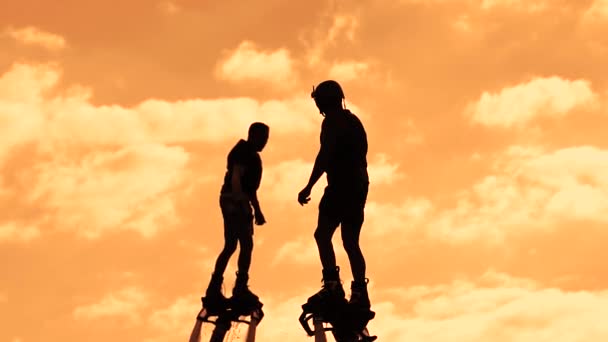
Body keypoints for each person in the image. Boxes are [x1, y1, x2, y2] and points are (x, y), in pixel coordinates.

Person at [298, 80, 371, 309]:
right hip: (359, 186)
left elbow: (325, 155)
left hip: (340, 188)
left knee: (322, 235)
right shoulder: (353, 121)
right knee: (351, 241)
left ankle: (332, 286)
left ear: (322, 101)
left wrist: (309, 185)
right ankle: (360, 293)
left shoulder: (332, 122)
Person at [204, 122, 269, 308]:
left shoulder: (249, 154)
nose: (264, 142)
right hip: (234, 201)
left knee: (231, 245)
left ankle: (215, 287)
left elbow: (251, 189)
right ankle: (239, 288)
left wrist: (257, 210)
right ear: (253, 135)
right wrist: (240, 203)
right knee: (245, 244)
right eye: (262, 138)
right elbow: (236, 178)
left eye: (266, 139)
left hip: (233, 200)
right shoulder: (244, 153)